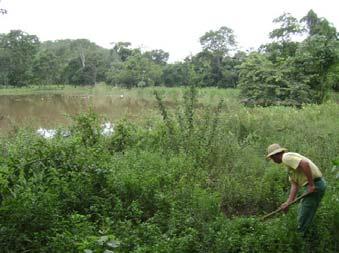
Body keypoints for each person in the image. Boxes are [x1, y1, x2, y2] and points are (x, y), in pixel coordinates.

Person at [266, 143, 326, 235]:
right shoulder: (289, 166)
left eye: (272, 158)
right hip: (316, 185)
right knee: (305, 213)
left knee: (303, 217)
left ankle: (300, 238)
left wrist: (311, 185)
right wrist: (288, 203)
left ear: (275, 156)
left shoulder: (286, 157)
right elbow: (295, 185)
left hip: (316, 185)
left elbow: (305, 164)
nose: (273, 160)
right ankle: (304, 235)